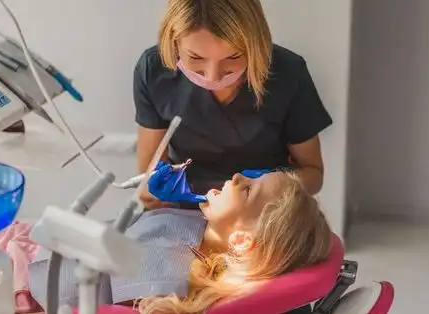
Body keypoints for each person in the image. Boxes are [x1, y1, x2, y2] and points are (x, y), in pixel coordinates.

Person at [27, 171, 332, 314]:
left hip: (30, 284)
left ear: (241, 240)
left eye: (249, 189)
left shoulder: (168, 273)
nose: (238, 176)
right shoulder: (200, 226)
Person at [135, 0, 333, 210]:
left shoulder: (288, 74)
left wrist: (275, 186)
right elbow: (148, 181)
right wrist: (154, 191)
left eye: (233, 57)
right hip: (184, 211)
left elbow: (313, 174)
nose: (213, 77)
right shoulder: (153, 71)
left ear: (254, 44)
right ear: (173, 42)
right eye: (195, 57)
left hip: (267, 211)